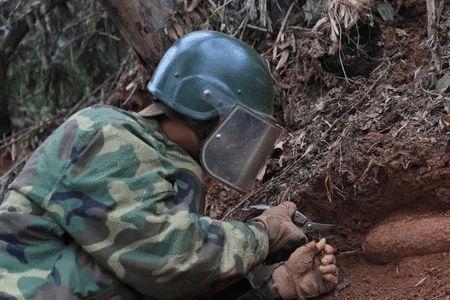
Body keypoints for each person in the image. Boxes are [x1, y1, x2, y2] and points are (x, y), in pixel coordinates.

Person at [0, 31, 338, 299]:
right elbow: (172, 261)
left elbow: (168, 281)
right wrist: (265, 232)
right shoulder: (108, 136)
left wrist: (278, 283)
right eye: (243, 127)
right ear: (210, 105)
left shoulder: (162, 161)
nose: (241, 142)